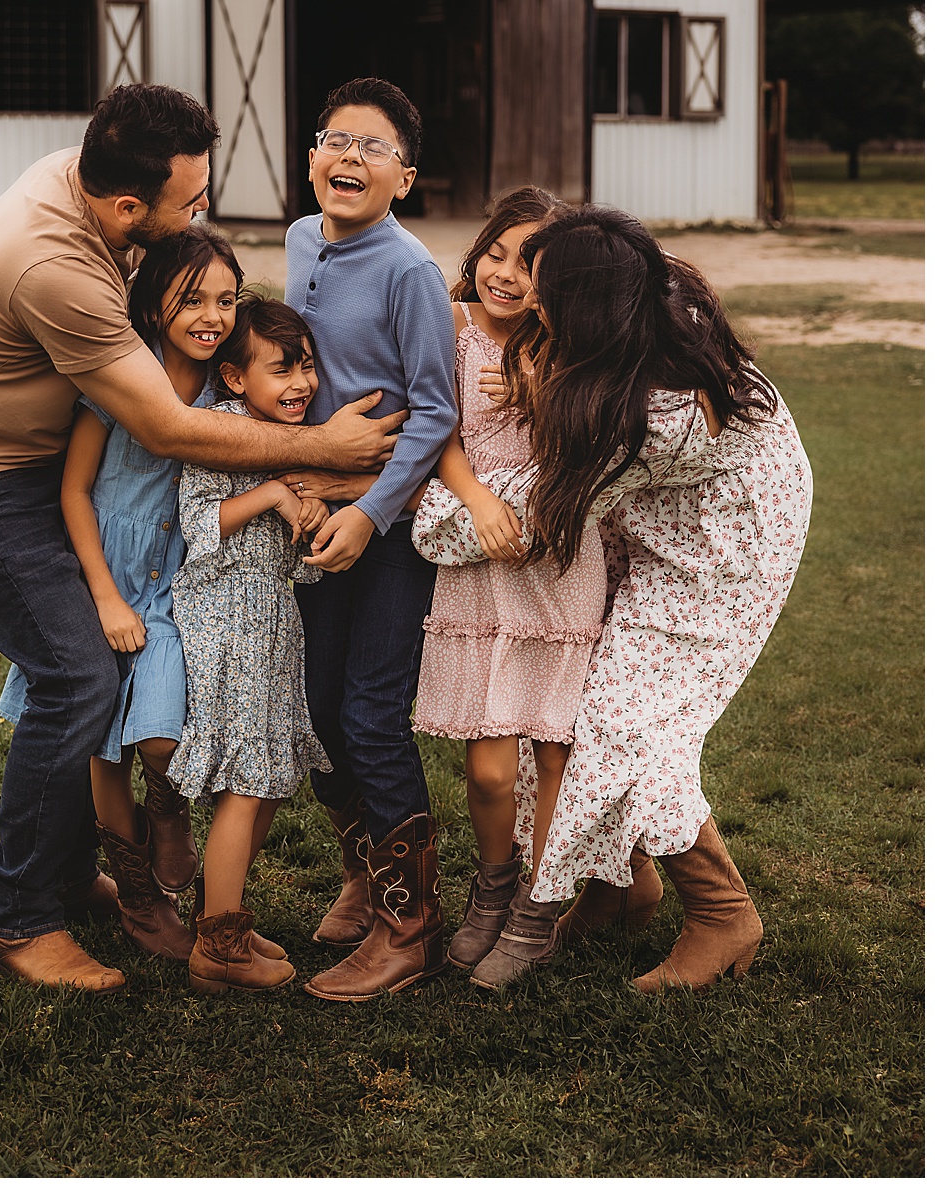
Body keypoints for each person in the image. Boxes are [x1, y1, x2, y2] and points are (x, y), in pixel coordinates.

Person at [0, 82, 404, 993]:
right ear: (130, 206)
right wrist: (319, 445)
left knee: (92, 681)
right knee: (76, 676)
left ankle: (66, 871)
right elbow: (165, 429)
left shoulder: (87, 189)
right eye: (188, 205)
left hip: (22, 459)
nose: (200, 213)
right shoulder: (54, 265)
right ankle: (17, 919)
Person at [417, 205, 813, 992]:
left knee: (631, 723)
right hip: (649, 513)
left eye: (545, 289)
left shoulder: (658, 418)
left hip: (725, 545)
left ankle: (723, 911)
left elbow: (537, 514)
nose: (529, 298)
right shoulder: (634, 301)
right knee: (572, 704)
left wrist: (423, 513)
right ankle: (615, 884)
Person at [0, 223, 242, 967]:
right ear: (152, 305)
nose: (211, 316)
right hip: (105, 574)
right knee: (105, 742)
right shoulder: (120, 381)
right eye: (191, 299)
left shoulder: (229, 392)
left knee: (163, 739)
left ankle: (168, 816)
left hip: (174, 586)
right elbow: (74, 494)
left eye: (227, 300)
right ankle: (138, 896)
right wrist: (103, 597)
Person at [282, 77, 459, 1002]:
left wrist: (368, 513)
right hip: (314, 513)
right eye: (334, 139)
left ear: (407, 179)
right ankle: (363, 871)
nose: (349, 157)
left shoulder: (411, 273)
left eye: (374, 147)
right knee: (313, 712)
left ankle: (408, 928)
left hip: (385, 532)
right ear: (311, 156)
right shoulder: (300, 238)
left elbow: (434, 413)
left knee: (370, 716)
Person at [411, 190, 608, 984]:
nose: (505, 275)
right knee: (491, 766)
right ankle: (490, 889)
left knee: (553, 751)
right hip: (478, 553)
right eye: (496, 252)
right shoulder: (452, 327)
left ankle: (536, 904)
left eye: (529, 267)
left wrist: (540, 395)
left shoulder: (566, 344)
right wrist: (479, 501)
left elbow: (600, 430)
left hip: (556, 562)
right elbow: (437, 429)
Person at [169, 296, 332, 995]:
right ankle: (218, 948)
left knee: (263, 775)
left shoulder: (285, 434)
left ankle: (223, 913)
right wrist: (270, 495)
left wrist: (311, 514)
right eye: (282, 370)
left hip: (270, 616)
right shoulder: (223, 428)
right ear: (235, 378)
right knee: (244, 777)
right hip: (229, 618)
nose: (300, 383)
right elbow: (198, 523)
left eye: (307, 367)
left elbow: (295, 557)